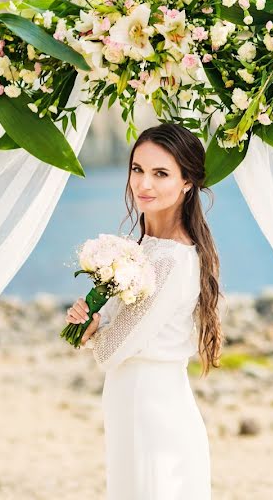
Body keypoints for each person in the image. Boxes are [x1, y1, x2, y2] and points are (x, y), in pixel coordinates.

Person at [64, 122, 223, 500]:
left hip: (152, 407)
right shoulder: (146, 246)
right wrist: (92, 323)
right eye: (138, 169)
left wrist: (95, 331)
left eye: (160, 173)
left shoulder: (172, 259)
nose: (144, 184)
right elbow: (118, 337)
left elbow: (109, 351)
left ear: (187, 182)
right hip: (133, 397)